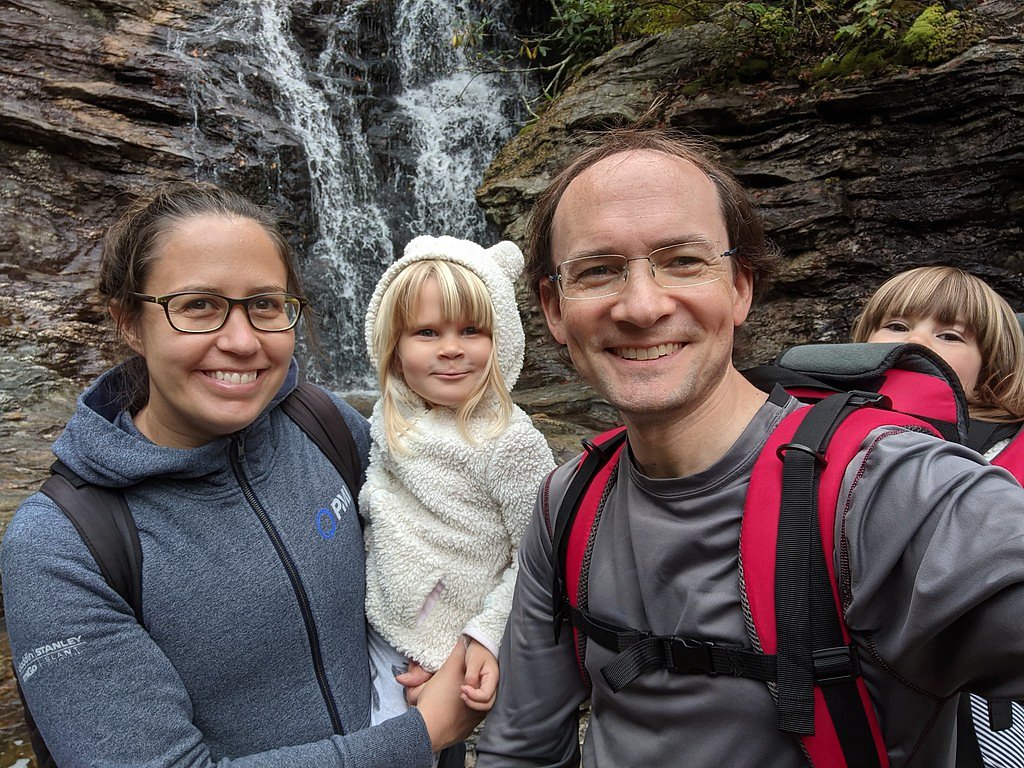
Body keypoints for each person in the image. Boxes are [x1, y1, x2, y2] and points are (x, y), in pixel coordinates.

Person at [473, 128, 1024, 767]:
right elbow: (520, 751)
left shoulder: (883, 489)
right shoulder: (566, 502)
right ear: (553, 308)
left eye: (683, 260)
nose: (642, 306)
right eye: (598, 271)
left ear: (740, 288)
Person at [0, 182, 479, 766]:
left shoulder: (324, 425)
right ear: (129, 321)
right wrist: (423, 736)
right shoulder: (64, 545)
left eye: (265, 305)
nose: (241, 341)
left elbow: (438, 548)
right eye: (198, 305)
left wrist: (454, 642)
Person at [359, 235, 556, 727]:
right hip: (372, 623)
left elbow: (541, 556)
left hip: (447, 648)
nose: (450, 349)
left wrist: (484, 637)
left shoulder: (509, 442)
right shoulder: (391, 413)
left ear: (502, 337)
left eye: (471, 330)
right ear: (394, 348)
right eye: (426, 333)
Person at [853, 265, 1024, 768]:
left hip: (981, 702)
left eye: (949, 335)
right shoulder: (808, 431)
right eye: (897, 326)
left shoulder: (1010, 447)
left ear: (989, 367)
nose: (919, 344)